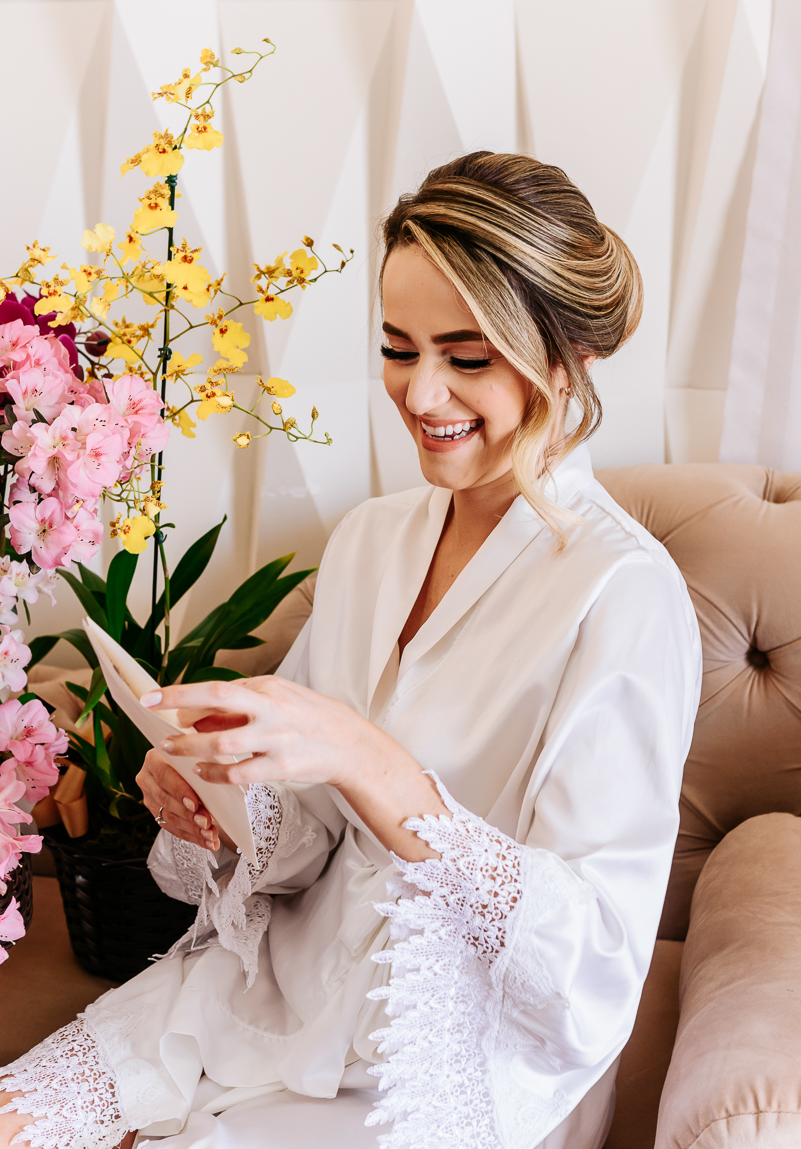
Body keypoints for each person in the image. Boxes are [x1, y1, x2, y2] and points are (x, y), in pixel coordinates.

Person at [0, 151, 701, 1149]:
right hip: (257, 995)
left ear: (566, 361)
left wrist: (368, 759)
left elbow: (588, 963)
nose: (420, 394)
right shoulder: (375, 538)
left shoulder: (624, 595)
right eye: (397, 347)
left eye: (466, 357)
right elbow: (311, 836)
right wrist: (222, 803)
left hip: (428, 1062)